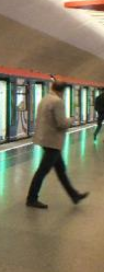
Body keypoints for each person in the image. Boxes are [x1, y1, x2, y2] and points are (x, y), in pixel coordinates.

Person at [26, 80, 89, 209]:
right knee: (42, 171)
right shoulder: (57, 101)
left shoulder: (45, 99)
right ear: (62, 91)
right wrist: (71, 119)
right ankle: (31, 198)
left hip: (45, 139)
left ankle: (74, 195)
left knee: (61, 170)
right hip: (52, 141)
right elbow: (61, 123)